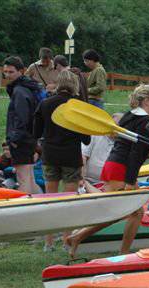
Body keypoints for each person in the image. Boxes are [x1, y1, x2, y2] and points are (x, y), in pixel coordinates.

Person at [66, 84, 149, 257]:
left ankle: (78, 237)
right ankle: (123, 253)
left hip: (113, 164)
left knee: (125, 211)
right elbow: (135, 153)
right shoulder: (146, 122)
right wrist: (131, 180)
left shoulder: (128, 116)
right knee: (132, 212)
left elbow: (129, 147)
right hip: (121, 168)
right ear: (146, 100)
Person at [33, 70, 90, 251]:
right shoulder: (78, 106)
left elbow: (36, 133)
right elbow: (86, 138)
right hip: (71, 157)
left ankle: (48, 242)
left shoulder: (45, 104)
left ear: (58, 84)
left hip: (50, 155)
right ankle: (67, 241)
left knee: (51, 200)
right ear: (75, 85)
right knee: (69, 201)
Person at [3, 56, 43, 194]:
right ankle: (40, 204)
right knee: (30, 178)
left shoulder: (20, 91)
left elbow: (22, 118)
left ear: (21, 71)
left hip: (21, 141)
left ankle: (25, 209)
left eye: (11, 72)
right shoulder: (27, 87)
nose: (7, 75)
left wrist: (14, 140)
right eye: (5, 72)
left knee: (23, 179)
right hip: (29, 138)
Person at [81, 113, 123, 190]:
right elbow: (82, 157)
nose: (116, 128)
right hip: (87, 182)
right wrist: (82, 180)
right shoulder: (95, 134)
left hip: (108, 184)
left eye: (120, 127)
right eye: (114, 125)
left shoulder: (123, 143)